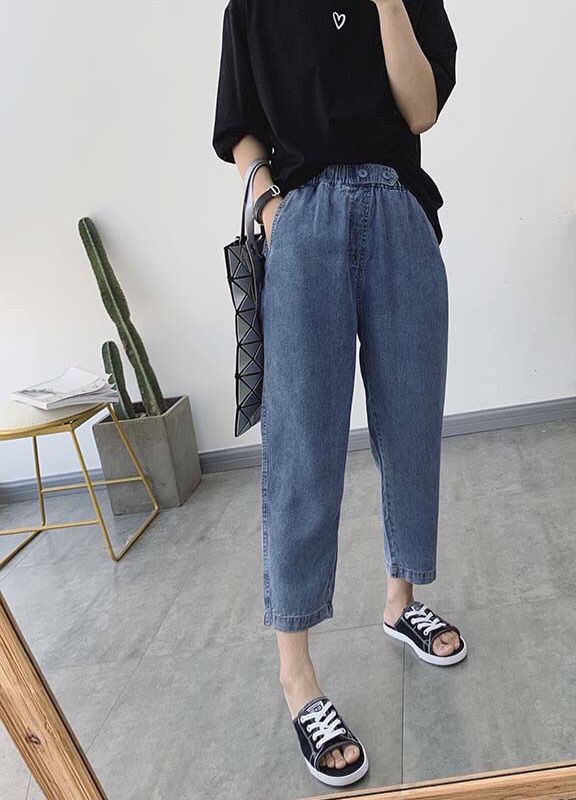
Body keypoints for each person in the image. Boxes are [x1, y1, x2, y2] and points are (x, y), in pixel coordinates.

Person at [213, 0, 462, 787]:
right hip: (304, 220)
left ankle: (400, 600)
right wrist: (268, 203)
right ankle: (297, 677)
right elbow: (239, 125)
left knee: (410, 427)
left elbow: (421, 109)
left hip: (398, 211)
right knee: (302, 454)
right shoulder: (252, 8)